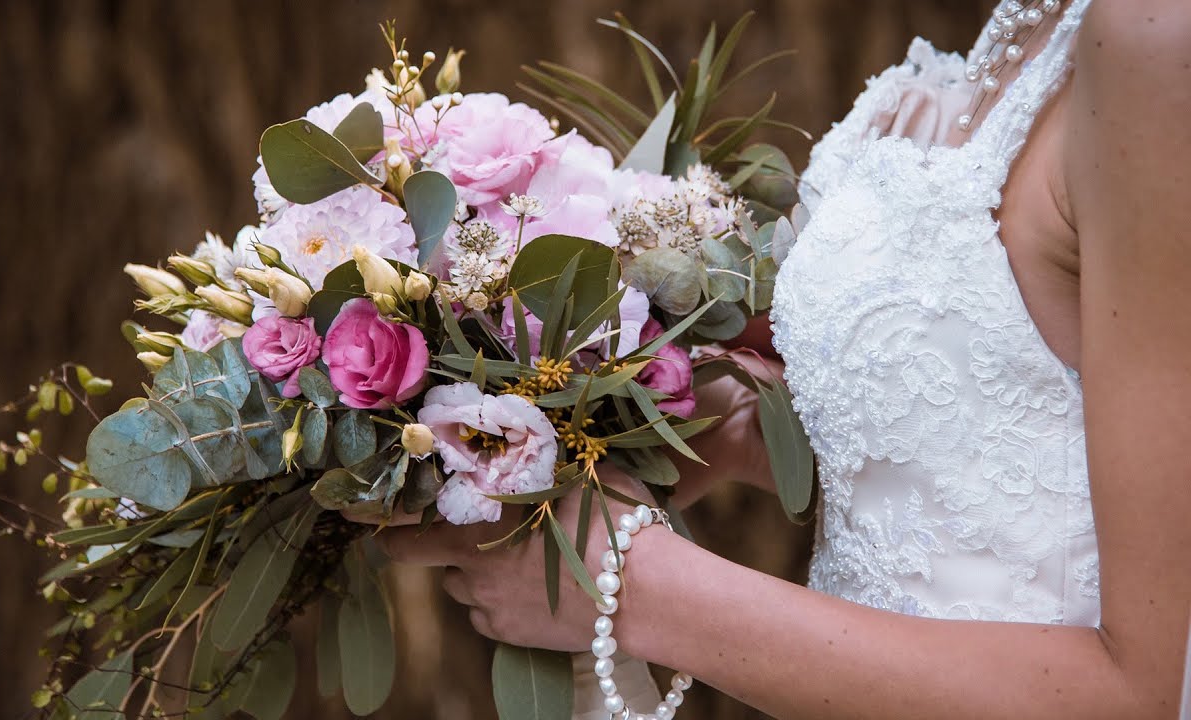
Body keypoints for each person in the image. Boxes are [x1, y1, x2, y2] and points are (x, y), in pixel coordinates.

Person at [372, 1, 1191, 716]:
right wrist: (729, 420)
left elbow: (1141, 695)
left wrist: (635, 586)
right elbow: (1023, 453)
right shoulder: (1046, 24)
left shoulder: (1155, 39)